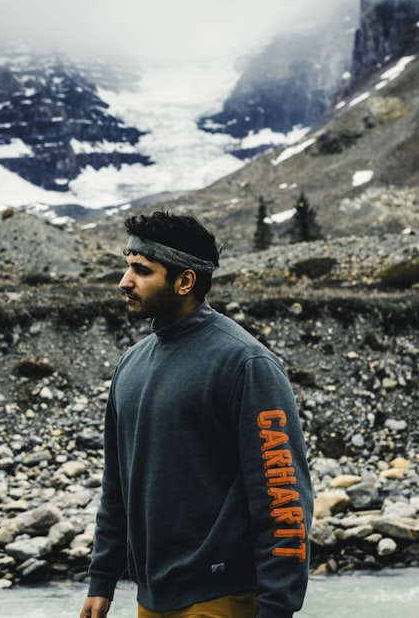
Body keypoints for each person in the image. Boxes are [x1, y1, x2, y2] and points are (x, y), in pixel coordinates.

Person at [79, 211, 313, 618]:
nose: (124, 281)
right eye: (127, 266)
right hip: (151, 599)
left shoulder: (245, 363)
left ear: (185, 281)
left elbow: (282, 494)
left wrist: (278, 607)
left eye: (141, 270)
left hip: (223, 599)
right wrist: (102, 579)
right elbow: (117, 484)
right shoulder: (130, 365)